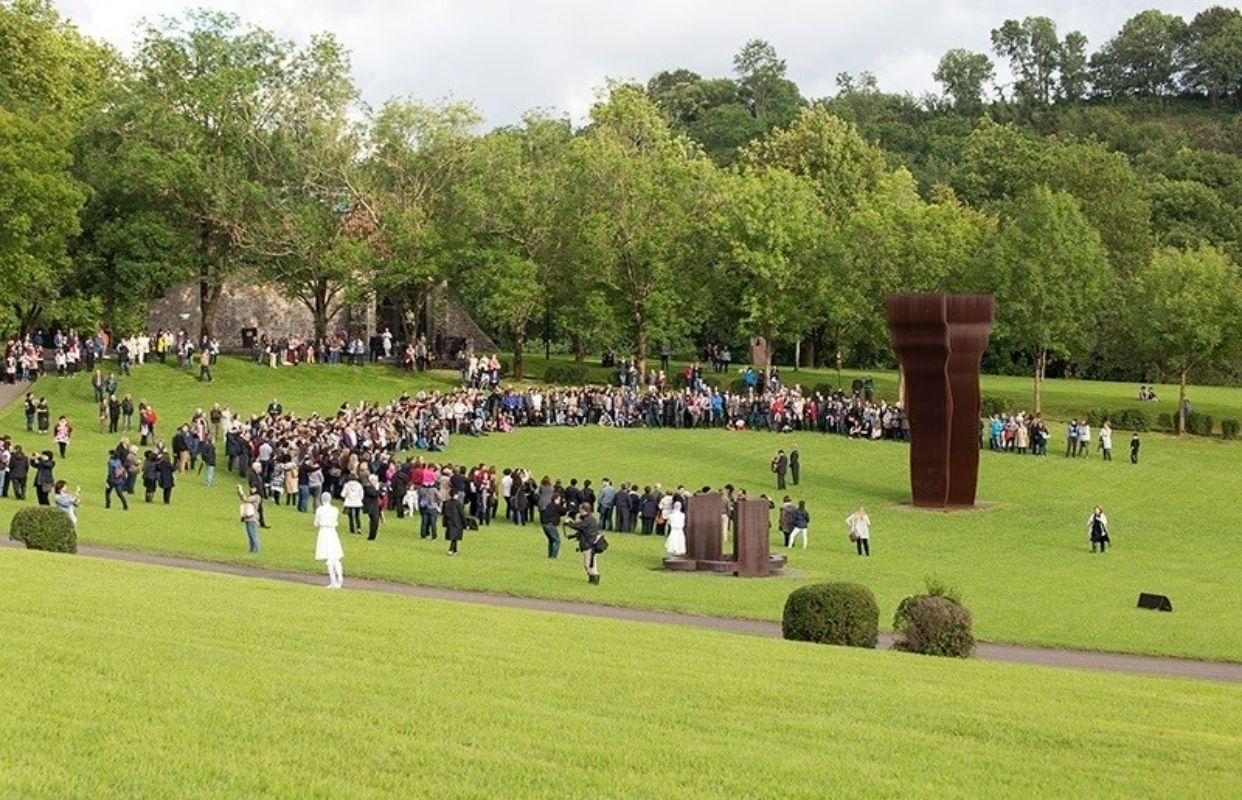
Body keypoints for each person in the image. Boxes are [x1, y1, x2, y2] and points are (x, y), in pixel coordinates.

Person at [566, 503, 603, 584]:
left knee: (589, 565)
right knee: (588, 564)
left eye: (580, 510)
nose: (579, 511)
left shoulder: (588, 520)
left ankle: (594, 581)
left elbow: (579, 526)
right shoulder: (589, 519)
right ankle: (592, 580)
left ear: (584, 510)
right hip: (589, 544)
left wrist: (569, 523)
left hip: (589, 545)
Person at [313, 493, 344, 587]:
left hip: (324, 532)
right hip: (332, 532)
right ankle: (339, 577)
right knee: (335, 557)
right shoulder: (335, 510)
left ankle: (333, 580)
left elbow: (316, 523)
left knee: (329, 558)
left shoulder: (320, 509)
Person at [237, 484, 262, 553]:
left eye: (253, 488)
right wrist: (239, 492)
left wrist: (241, 491)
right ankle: (252, 549)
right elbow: (244, 499)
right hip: (247, 517)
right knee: (250, 535)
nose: (251, 489)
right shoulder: (252, 496)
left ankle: (256, 549)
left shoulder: (257, 497)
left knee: (253, 534)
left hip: (252, 518)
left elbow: (245, 499)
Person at [442, 488, 467, 556]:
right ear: (456, 495)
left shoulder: (447, 503)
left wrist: (444, 523)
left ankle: (455, 550)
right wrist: (465, 524)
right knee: (455, 537)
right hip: (457, 522)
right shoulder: (458, 503)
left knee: (454, 537)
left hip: (449, 522)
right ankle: (450, 550)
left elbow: (445, 514)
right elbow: (462, 514)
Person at [539, 491, 564, 559]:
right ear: (555, 499)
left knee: (551, 540)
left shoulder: (549, 505)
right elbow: (563, 511)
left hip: (545, 525)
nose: (559, 501)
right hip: (551, 525)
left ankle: (550, 555)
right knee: (557, 541)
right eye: (559, 499)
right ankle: (553, 557)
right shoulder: (556, 506)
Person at [362, 473, 382, 540]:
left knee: (375, 522)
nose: (376, 482)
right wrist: (380, 491)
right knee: (374, 521)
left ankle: (373, 536)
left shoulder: (373, 487)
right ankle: (371, 536)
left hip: (375, 506)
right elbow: (373, 494)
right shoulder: (367, 487)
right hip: (371, 507)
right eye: (375, 480)